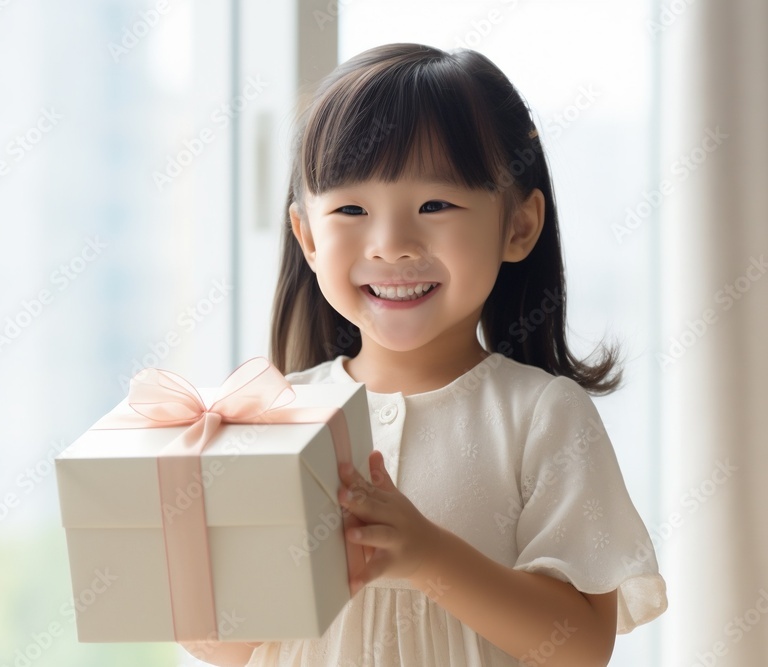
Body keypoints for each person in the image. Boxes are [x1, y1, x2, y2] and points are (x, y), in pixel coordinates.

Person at [182, 43, 667, 666]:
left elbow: (578, 647)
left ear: (518, 226)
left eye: (435, 205)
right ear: (306, 236)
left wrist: (429, 556)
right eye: (351, 209)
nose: (392, 245)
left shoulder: (542, 415)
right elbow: (235, 645)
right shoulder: (278, 415)